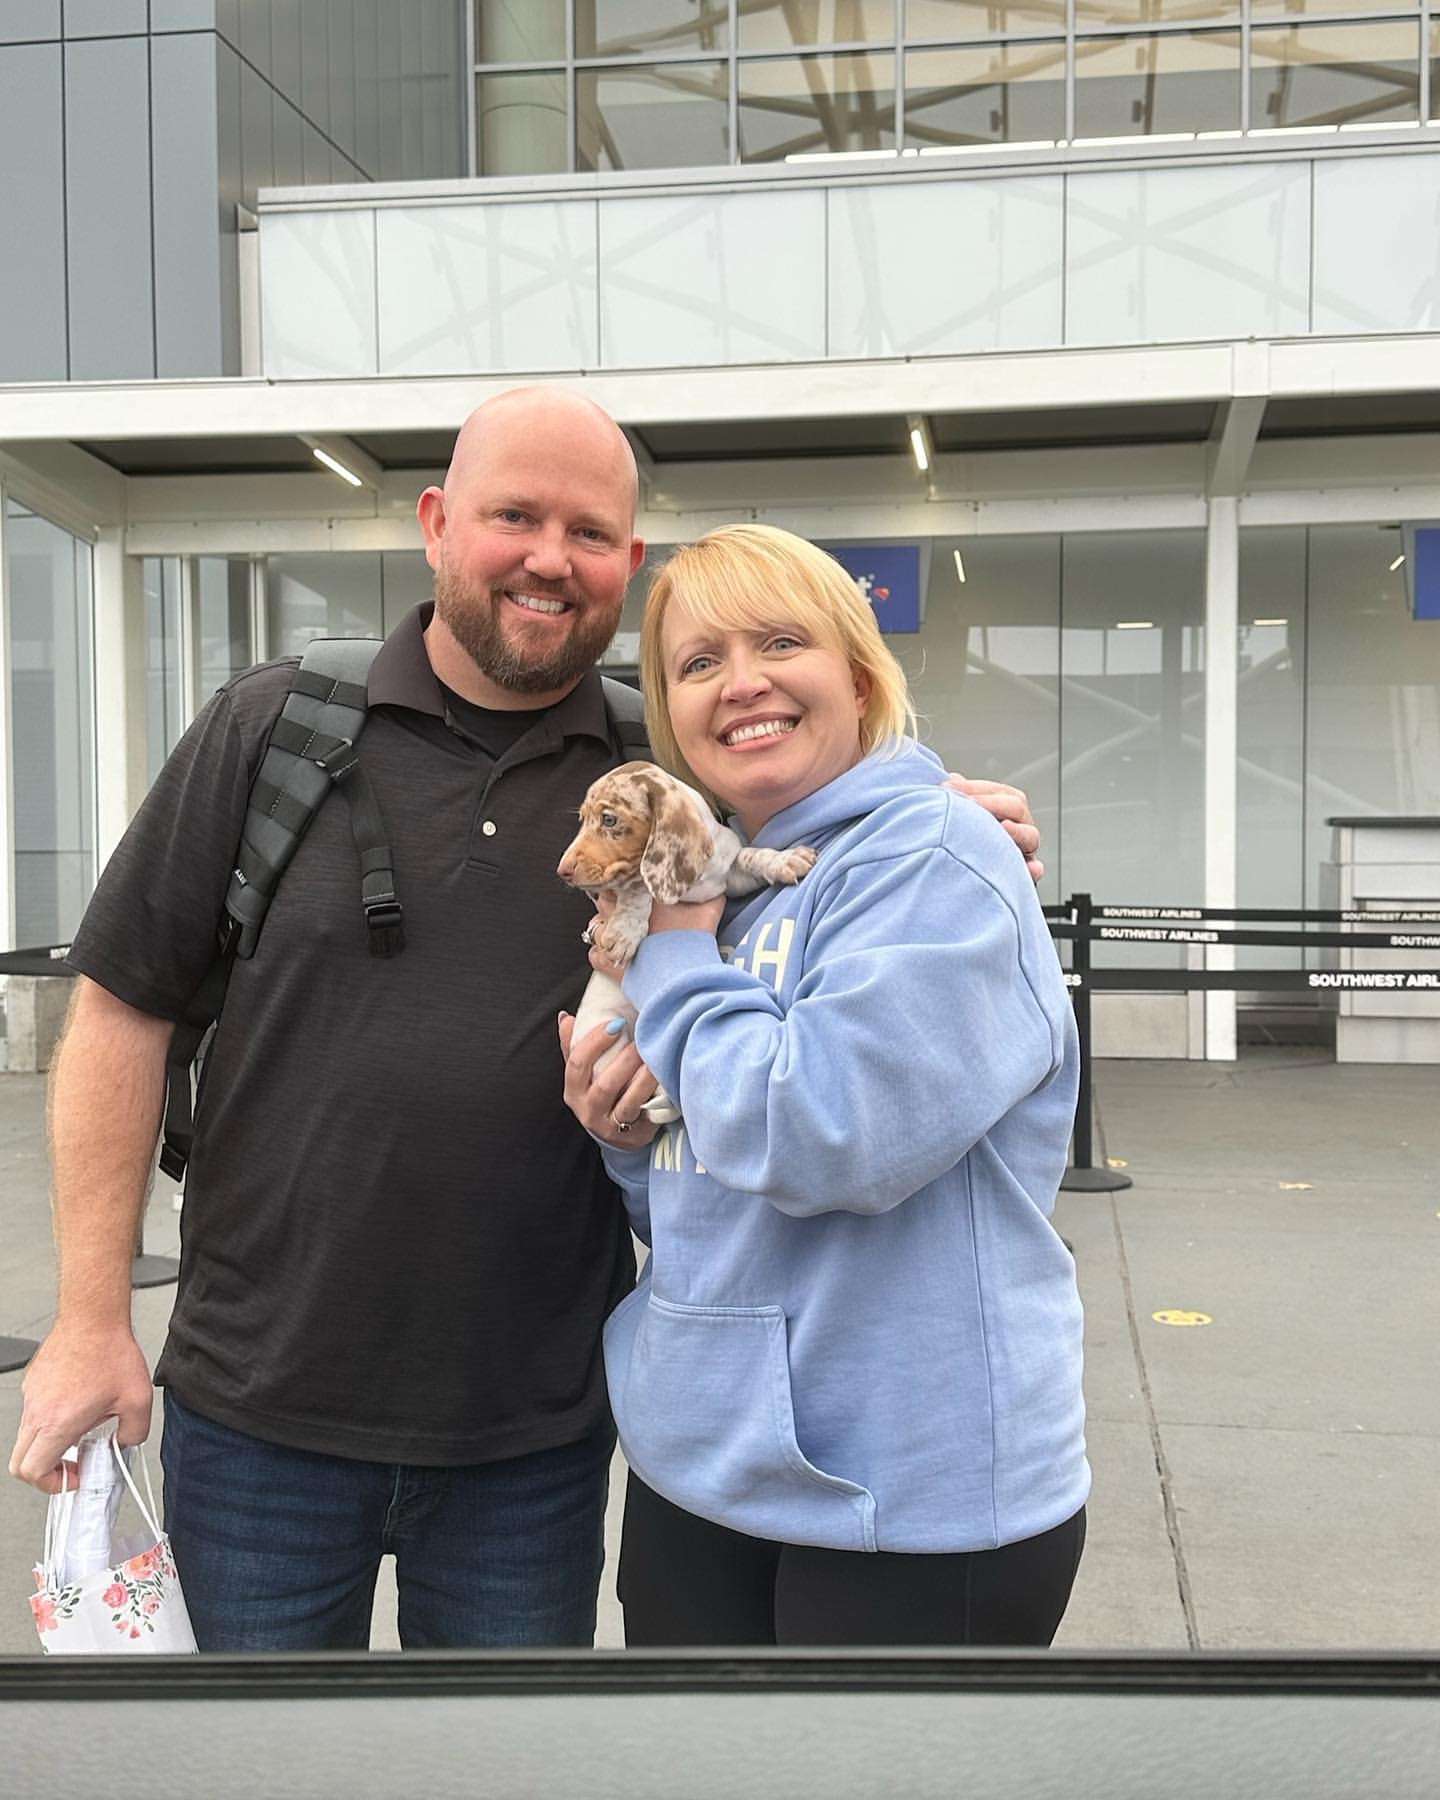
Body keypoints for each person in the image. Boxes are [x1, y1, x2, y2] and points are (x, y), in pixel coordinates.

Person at [10, 388, 1046, 1652]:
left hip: (535, 1437)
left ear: (628, 562)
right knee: (255, 1773)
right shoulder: (273, 727)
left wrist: (938, 807)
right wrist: (87, 1317)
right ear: (439, 526)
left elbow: (818, 811)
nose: (549, 557)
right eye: (515, 516)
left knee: (510, 1773)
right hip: (260, 1416)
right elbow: (123, 1008)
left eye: (589, 531)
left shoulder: (657, 767)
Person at [561, 523, 1086, 1648]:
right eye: (698, 664)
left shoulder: (935, 859)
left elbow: (822, 1138)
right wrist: (622, 1124)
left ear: (855, 674)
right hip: (706, 1476)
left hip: (911, 1507)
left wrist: (676, 952)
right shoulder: (718, 884)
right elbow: (703, 1202)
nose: (741, 683)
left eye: (780, 642)